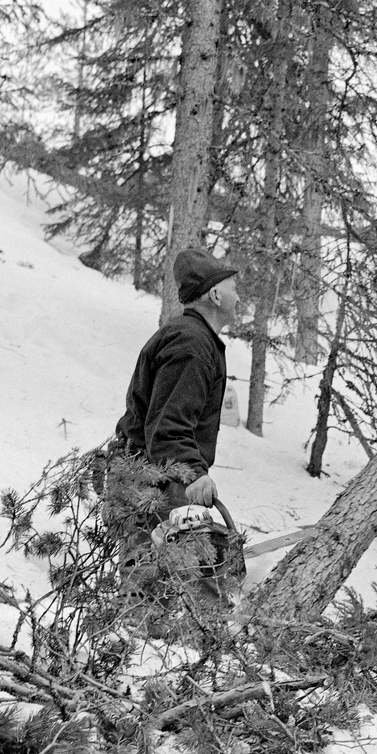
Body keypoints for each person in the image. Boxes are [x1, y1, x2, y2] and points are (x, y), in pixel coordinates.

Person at [103, 247, 242, 611]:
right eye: (233, 288)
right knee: (189, 591)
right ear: (215, 295)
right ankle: (198, 656)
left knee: (151, 594)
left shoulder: (193, 338)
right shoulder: (192, 344)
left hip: (150, 474)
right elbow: (167, 426)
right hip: (155, 479)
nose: (239, 297)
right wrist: (195, 474)